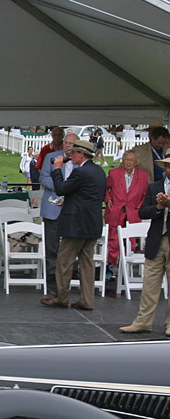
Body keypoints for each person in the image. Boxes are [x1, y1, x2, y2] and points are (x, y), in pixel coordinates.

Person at [41, 139, 106, 310]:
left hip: (76, 224)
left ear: (81, 154)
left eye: (74, 152)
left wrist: (57, 170)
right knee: (87, 263)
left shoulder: (80, 173)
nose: (71, 154)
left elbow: (61, 188)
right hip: (92, 223)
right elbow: (86, 196)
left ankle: (61, 297)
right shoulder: (99, 171)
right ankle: (87, 299)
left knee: (64, 261)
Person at [120, 159, 170, 335]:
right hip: (156, 239)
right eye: (168, 166)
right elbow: (142, 211)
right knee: (150, 285)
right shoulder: (154, 187)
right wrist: (158, 206)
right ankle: (143, 321)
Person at [39, 132, 77, 291]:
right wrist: (62, 186)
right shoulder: (51, 157)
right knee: (52, 243)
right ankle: (52, 276)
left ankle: (72, 273)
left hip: (72, 208)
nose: (68, 146)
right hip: (53, 205)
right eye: (66, 143)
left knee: (72, 242)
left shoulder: (79, 161)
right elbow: (43, 178)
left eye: (71, 143)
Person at [105, 150, 148, 268]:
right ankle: (111, 267)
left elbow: (145, 194)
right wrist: (108, 199)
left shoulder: (143, 175)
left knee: (130, 241)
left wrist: (138, 208)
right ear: (123, 161)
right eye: (126, 160)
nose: (128, 162)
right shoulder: (114, 173)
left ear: (136, 163)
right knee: (114, 241)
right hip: (116, 211)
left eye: (131, 160)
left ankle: (125, 268)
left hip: (132, 212)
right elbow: (104, 187)